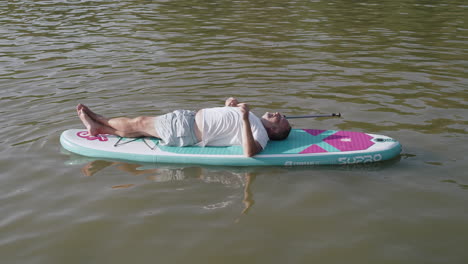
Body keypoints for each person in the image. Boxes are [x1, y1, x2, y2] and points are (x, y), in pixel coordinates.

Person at [76, 97, 291, 157]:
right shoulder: (255, 119)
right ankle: (100, 127)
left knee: (138, 123)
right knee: (139, 128)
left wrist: (243, 117)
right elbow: (228, 124)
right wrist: (230, 107)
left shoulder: (261, 134)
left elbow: (249, 152)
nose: (279, 114)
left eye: (281, 120)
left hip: (185, 129)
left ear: (274, 131)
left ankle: (99, 119)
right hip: (187, 120)